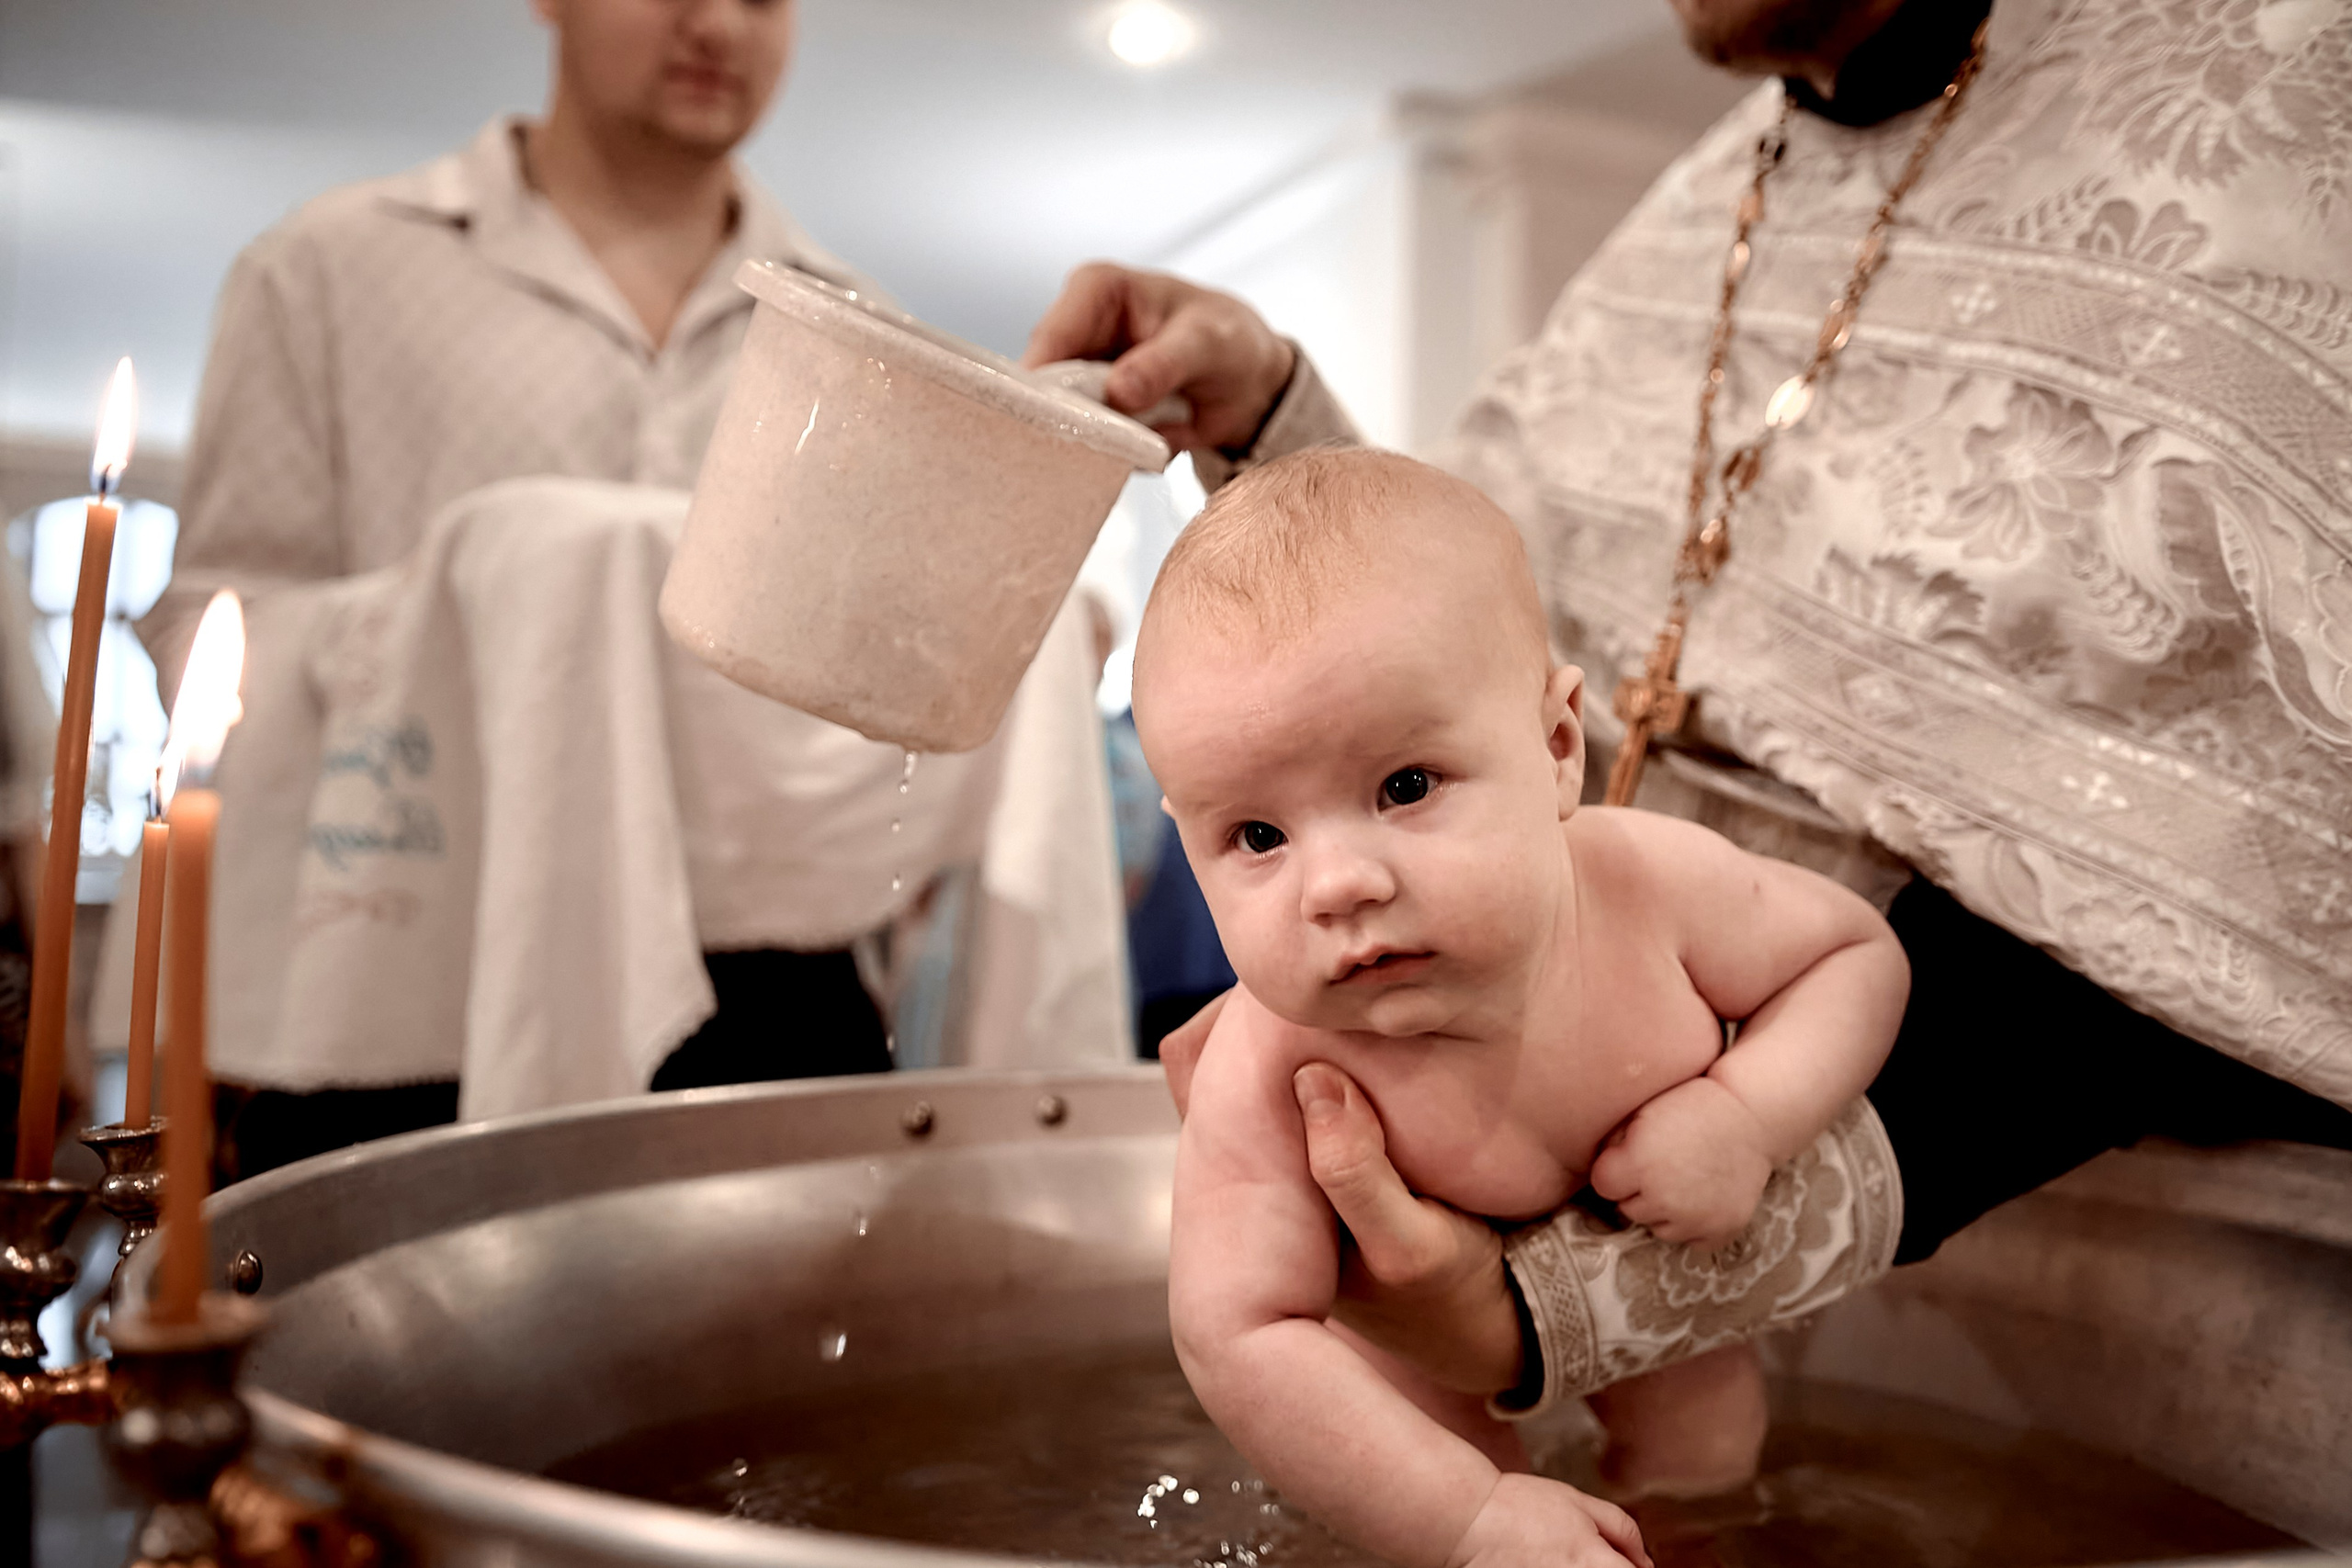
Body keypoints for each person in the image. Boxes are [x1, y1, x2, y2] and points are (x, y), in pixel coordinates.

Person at [1028, 0, 2352, 1482]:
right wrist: (1277, 419)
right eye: (1257, 840)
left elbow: (2204, 856)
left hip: (2065, 1213)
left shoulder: (2288, 92)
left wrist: (1589, 1280)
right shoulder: (1724, 182)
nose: (1334, 877)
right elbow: (1466, 638)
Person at [139, 0, 961, 1177]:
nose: (717, 24)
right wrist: (484, 608)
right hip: (424, 972)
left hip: (775, 990)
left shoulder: (862, 334)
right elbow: (211, 641)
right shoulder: (328, 269)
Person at [1148, 448, 1906, 1564]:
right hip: (1414, 1357)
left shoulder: (1647, 889)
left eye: (1405, 787)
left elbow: (1854, 954)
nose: (1336, 884)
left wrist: (1748, 1115)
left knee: (1706, 1468)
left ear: (1557, 748)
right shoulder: (1266, 1067)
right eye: (1257, 836)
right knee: (1445, 1504)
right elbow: (1236, 1330)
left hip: (1657, 1295)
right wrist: (1466, 1516)